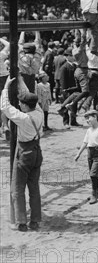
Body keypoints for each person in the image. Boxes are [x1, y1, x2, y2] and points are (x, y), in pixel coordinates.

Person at [1, 76, 44, 231]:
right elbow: (27, 93)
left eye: (21, 103)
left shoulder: (23, 118)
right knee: (34, 188)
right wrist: (20, 80)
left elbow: (5, 107)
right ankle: (35, 220)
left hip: (25, 152)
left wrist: (6, 87)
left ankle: (21, 221)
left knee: (17, 188)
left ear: (25, 106)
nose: (19, 104)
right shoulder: (39, 112)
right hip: (37, 152)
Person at [74, 110, 98, 205]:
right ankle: (97, 191)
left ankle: (94, 194)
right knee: (92, 174)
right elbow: (85, 142)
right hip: (90, 153)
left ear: (95, 117)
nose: (87, 120)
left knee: (93, 173)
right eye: (86, 119)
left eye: (89, 118)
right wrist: (78, 154)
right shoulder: (89, 130)